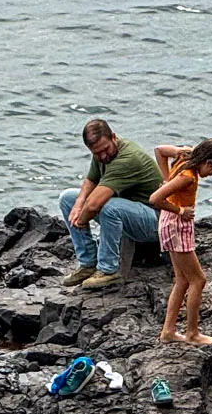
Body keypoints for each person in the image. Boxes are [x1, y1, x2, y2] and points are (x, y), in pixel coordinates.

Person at [57, 119, 162, 289]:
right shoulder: (101, 154)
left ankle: (108, 269)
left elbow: (94, 205)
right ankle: (88, 263)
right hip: (130, 211)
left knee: (107, 206)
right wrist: (77, 205)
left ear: (114, 137)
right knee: (67, 198)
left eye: (105, 150)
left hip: (155, 221)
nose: (102, 156)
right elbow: (91, 179)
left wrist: (81, 220)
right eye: (96, 153)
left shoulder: (128, 159)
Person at [148, 137, 212, 345]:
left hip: (169, 223)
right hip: (177, 224)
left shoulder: (185, 154)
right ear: (209, 162)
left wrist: (167, 179)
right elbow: (155, 199)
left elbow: (159, 150)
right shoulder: (188, 177)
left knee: (183, 280)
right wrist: (180, 210)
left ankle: (168, 331)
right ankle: (192, 333)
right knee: (198, 280)